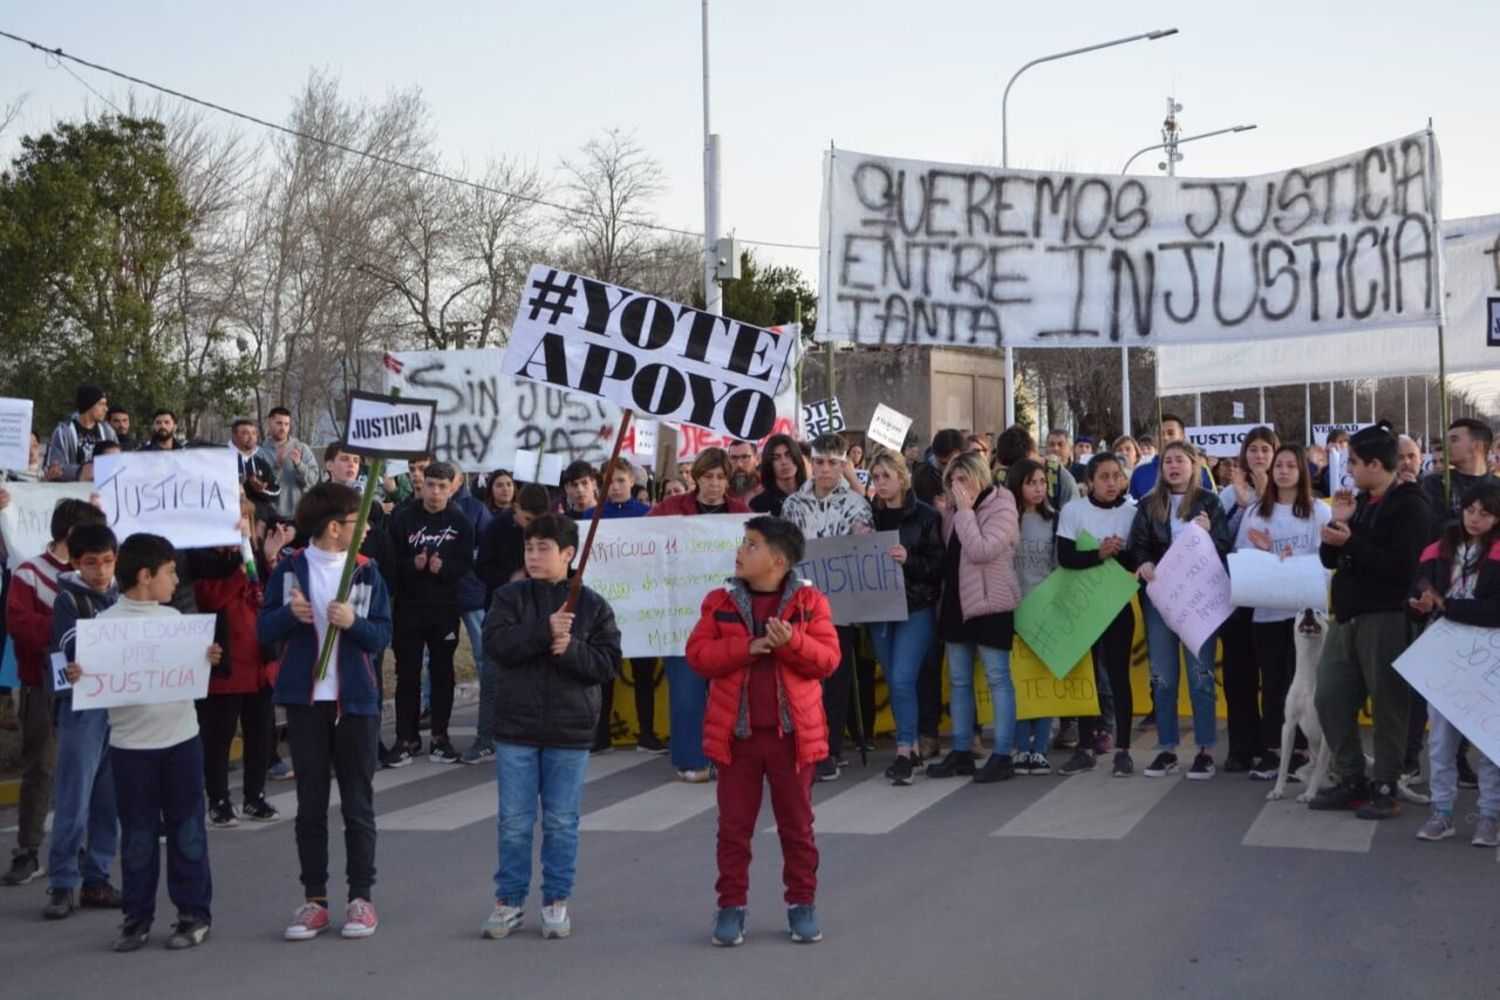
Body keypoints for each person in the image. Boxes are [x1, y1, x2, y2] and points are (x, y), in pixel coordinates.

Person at [686, 515, 840, 947]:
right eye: (743, 542)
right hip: (737, 740)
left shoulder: (810, 604)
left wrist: (791, 641)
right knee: (733, 829)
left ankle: (802, 905)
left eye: (751, 545)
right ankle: (731, 907)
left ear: (777, 560)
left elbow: (828, 661)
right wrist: (746, 647)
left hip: (792, 740)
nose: (740, 551)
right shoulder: (720, 600)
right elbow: (697, 655)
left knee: (797, 827)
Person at [258, 482, 393, 941]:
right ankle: (314, 900)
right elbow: (264, 628)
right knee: (310, 805)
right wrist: (287, 618)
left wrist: (353, 624)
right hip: (305, 702)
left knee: (358, 804)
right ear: (334, 527)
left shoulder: (367, 571)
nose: (368, 528)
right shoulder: (292, 569)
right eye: (359, 522)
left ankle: (361, 898)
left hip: (354, 703)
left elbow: (381, 636)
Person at [479, 514, 621, 941]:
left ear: (568, 554)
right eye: (529, 548)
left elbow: (607, 664)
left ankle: (556, 899)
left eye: (544, 548)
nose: (534, 556)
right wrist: (544, 632)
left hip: (570, 729)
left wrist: (570, 648)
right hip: (516, 728)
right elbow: (496, 646)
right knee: (514, 821)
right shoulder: (509, 598)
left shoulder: (592, 605)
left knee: (561, 821)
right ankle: (509, 901)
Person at [96, 533, 219, 951]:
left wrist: (211, 658)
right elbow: (79, 674)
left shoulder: (179, 623)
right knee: (138, 836)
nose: (176, 579)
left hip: (181, 742)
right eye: (169, 572)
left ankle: (193, 914)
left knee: (187, 832)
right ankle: (136, 917)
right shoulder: (103, 629)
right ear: (145, 576)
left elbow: (203, 672)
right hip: (131, 751)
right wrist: (79, 674)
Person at [1311, 422, 1432, 819]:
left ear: (1378, 464)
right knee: (1328, 696)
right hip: (1347, 615)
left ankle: (1384, 783)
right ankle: (1351, 777)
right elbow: (1331, 559)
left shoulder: (1410, 505)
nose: (1350, 471)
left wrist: (1352, 542)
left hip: (1387, 617)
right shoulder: (1361, 502)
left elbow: (1402, 569)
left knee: (1388, 704)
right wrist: (1339, 524)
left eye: (1355, 463)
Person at [1, 500, 106, 886]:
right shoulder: (29, 573)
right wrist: (67, 627)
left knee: (85, 773)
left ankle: (80, 849)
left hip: (90, 688)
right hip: (42, 685)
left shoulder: (98, 574)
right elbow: (20, 626)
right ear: (71, 535)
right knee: (40, 769)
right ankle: (28, 851)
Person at [1129, 440, 1232, 780]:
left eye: (1180, 461)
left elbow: (1223, 547)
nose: (1173, 466)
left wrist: (1204, 535)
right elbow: (1138, 545)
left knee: (1201, 675)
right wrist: (1143, 563)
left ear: (1194, 465)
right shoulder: (1148, 505)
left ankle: (1204, 749)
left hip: (1198, 602)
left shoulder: (1209, 502)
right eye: (1167, 461)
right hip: (1161, 600)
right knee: (1162, 677)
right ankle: (1167, 748)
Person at [649, 449, 750, 782]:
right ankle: (691, 760)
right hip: (682, 617)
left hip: (729, 616)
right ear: (696, 478)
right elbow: (641, 544)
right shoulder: (670, 511)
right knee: (686, 692)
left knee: (729, 691)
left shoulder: (741, 513)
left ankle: (727, 756)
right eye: (709, 477)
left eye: (721, 477)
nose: (715, 484)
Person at [780, 433, 876, 781]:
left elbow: (867, 556)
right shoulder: (793, 505)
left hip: (841, 605)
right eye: (819, 461)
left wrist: (865, 540)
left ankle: (829, 750)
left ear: (843, 465)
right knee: (801, 676)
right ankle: (804, 744)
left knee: (834, 678)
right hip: (800, 604)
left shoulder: (856, 505)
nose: (824, 469)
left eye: (833, 463)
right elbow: (783, 551)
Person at [1409, 482, 1500, 846]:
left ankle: (1489, 816)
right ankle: (1442, 812)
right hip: (1444, 655)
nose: (1476, 518)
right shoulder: (1436, 549)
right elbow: (1417, 593)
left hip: (1489, 655)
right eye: (1470, 510)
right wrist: (1419, 605)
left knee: (1490, 740)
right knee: (1441, 739)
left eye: (1485, 512)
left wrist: (1447, 605)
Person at [926, 450, 1022, 782]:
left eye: (962, 478)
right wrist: (952, 513)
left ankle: (1003, 755)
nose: (956, 486)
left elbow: (982, 550)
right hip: (956, 603)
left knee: (998, 678)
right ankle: (962, 751)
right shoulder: (952, 509)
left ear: (978, 475)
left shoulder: (1003, 504)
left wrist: (965, 512)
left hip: (992, 603)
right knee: (959, 680)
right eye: (951, 480)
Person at [1236, 444, 1330, 781]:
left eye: (1291, 465)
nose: (1284, 470)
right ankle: (1275, 751)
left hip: (1307, 615)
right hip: (1268, 614)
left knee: (1305, 682)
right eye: (1279, 465)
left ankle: (1306, 751)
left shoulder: (1319, 511)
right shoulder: (1256, 511)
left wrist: (1295, 560)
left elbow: (1328, 559)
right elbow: (1242, 559)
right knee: (1273, 682)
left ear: (1302, 471)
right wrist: (1266, 553)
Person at [43, 522, 123, 919]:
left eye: (108, 562)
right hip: (83, 708)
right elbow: (70, 645)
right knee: (74, 798)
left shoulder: (124, 594)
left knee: (111, 800)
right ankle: (62, 881)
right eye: (92, 564)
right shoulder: (68, 600)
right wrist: (79, 664)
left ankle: (97, 877)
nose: (101, 571)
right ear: (75, 563)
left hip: (120, 707)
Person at [193, 499, 279, 828]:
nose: (238, 524)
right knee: (219, 736)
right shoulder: (200, 560)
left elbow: (270, 596)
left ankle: (254, 796)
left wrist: (268, 560)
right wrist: (238, 574)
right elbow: (209, 598)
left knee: (260, 734)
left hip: (259, 661)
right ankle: (218, 799)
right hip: (226, 663)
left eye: (244, 518)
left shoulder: (254, 557)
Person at [385, 460, 474, 766]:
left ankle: (440, 736)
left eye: (442, 487)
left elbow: (466, 564)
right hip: (409, 609)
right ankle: (405, 738)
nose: (435, 492)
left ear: (453, 488)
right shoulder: (403, 517)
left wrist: (444, 568)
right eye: (430, 485)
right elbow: (390, 563)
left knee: (442, 673)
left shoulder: (460, 521)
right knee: (407, 674)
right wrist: (414, 565)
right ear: (421, 484)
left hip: (444, 609)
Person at [1057, 452, 1140, 776]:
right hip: (1083, 605)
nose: (1110, 483)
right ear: (1090, 481)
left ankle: (1123, 749)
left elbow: (1137, 560)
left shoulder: (1132, 514)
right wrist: (1098, 553)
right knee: (1086, 677)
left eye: (1115, 476)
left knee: (1119, 676)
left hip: (1116, 605)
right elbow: (1065, 557)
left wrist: (1119, 554)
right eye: (1103, 476)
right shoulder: (1074, 510)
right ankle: (1085, 746)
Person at [866, 452, 943, 785]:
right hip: (880, 609)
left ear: (901, 477)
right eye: (876, 477)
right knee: (897, 679)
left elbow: (938, 566)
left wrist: (909, 560)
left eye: (886, 476)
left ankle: (904, 749)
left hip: (916, 607)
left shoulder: (925, 516)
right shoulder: (869, 516)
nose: (880, 483)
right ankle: (908, 745)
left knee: (901, 678)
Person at [470, 483, 553, 763]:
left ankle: (535, 737)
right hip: (502, 612)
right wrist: (509, 579)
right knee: (493, 676)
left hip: (540, 614)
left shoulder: (553, 529)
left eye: (537, 521)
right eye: (527, 520)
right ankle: (485, 739)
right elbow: (481, 567)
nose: (532, 527)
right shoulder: (496, 528)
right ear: (516, 508)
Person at [1216, 426, 1279, 773]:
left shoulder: (1286, 494)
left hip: (1273, 596)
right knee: (1239, 676)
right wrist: (1240, 504)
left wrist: (1263, 493)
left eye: (1265, 450)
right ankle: (1241, 745)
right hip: (1237, 592)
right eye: (1253, 450)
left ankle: (1273, 745)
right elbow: (1217, 536)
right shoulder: (1229, 494)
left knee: (1273, 676)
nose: (1258, 456)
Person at [579, 458, 650, 754]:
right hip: (603, 607)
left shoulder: (649, 515)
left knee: (642, 670)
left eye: (621, 480)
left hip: (641, 604)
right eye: (610, 481)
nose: (616, 486)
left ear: (632, 480)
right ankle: (601, 734)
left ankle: (648, 734)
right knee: (604, 672)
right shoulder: (589, 516)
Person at [1005, 458, 1062, 775]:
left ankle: (1039, 748)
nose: (1039, 488)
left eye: (1042, 482)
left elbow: (1059, 565)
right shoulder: (1007, 519)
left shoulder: (1054, 519)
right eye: (1032, 483)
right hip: (1014, 608)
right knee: (1018, 681)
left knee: (1042, 681)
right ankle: (1020, 747)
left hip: (1045, 609)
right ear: (1018, 486)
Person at [1423, 418, 1496, 528]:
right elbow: (1436, 526)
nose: (1447, 446)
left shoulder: (1496, 486)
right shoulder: (1436, 482)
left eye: (1454, 440)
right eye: (1446, 441)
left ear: (1477, 446)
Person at [1129, 413, 1213, 499]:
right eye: (1160, 434)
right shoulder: (1140, 473)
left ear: (1183, 437)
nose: (1165, 438)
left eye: (1171, 433)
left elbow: (1212, 504)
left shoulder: (1200, 470)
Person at [44, 384, 118, 481]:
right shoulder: (63, 433)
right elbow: (56, 469)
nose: (106, 409)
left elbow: (118, 463)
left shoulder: (108, 431)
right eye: (101, 404)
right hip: (73, 491)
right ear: (89, 405)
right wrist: (83, 471)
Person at [259, 407, 319, 520]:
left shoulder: (302, 448)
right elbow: (261, 489)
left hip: (300, 517)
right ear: (269, 423)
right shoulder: (260, 453)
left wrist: (299, 465)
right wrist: (278, 466)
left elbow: (313, 481)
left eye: (287, 424)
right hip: (271, 518)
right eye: (279, 423)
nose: (283, 428)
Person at [749, 434, 806, 517]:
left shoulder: (814, 497)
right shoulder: (759, 505)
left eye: (788, 455)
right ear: (769, 464)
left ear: (797, 456)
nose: (784, 462)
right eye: (776, 458)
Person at [230, 418, 280, 508]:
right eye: (245, 433)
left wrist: (261, 490)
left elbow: (276, 493)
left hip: (264, 518)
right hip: (234, 516)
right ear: (234, 436)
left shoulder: (261, 463)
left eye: (254, 433)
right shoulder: (223, 460)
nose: (251, 437)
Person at [913, 429, 966, 509]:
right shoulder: (922, 475)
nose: (949, 468)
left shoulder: (971, 475)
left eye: (955, 462)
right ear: (935, 455)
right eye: (944, 463)